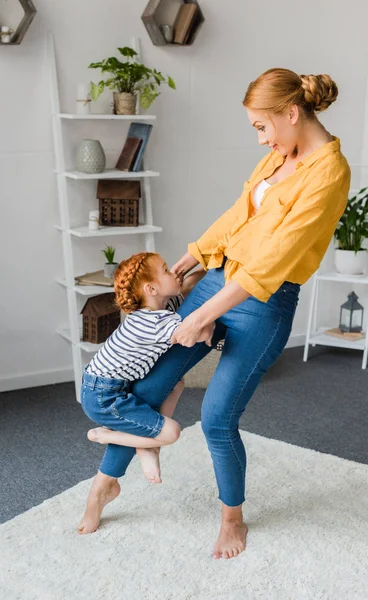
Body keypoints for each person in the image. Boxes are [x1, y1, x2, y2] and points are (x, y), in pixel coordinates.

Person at [78, 68, 351, 559]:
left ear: (292, 113)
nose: (261, 138)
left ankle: (232, 519)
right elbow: (239, 212)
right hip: (218, 279)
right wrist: (199, 252)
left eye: (260, 126)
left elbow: (272, 262)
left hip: (262, 302)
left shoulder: (329, 172)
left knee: (217, 416)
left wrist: (201, 317)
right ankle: (105, 484)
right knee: (149, 390)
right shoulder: (278, 155)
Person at [78, 252, 212, 534]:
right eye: (165, 270)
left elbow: (189, 284)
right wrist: (209, 325)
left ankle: (145, 445)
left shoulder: (157, 307)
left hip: (107, 385)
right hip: (104, 397)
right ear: (151, 289)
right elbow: (195, 332)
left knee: (176, 384)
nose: (173, 272)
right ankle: (111, 437)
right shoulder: (154, 323)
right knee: (171, 433)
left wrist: (211, 266)